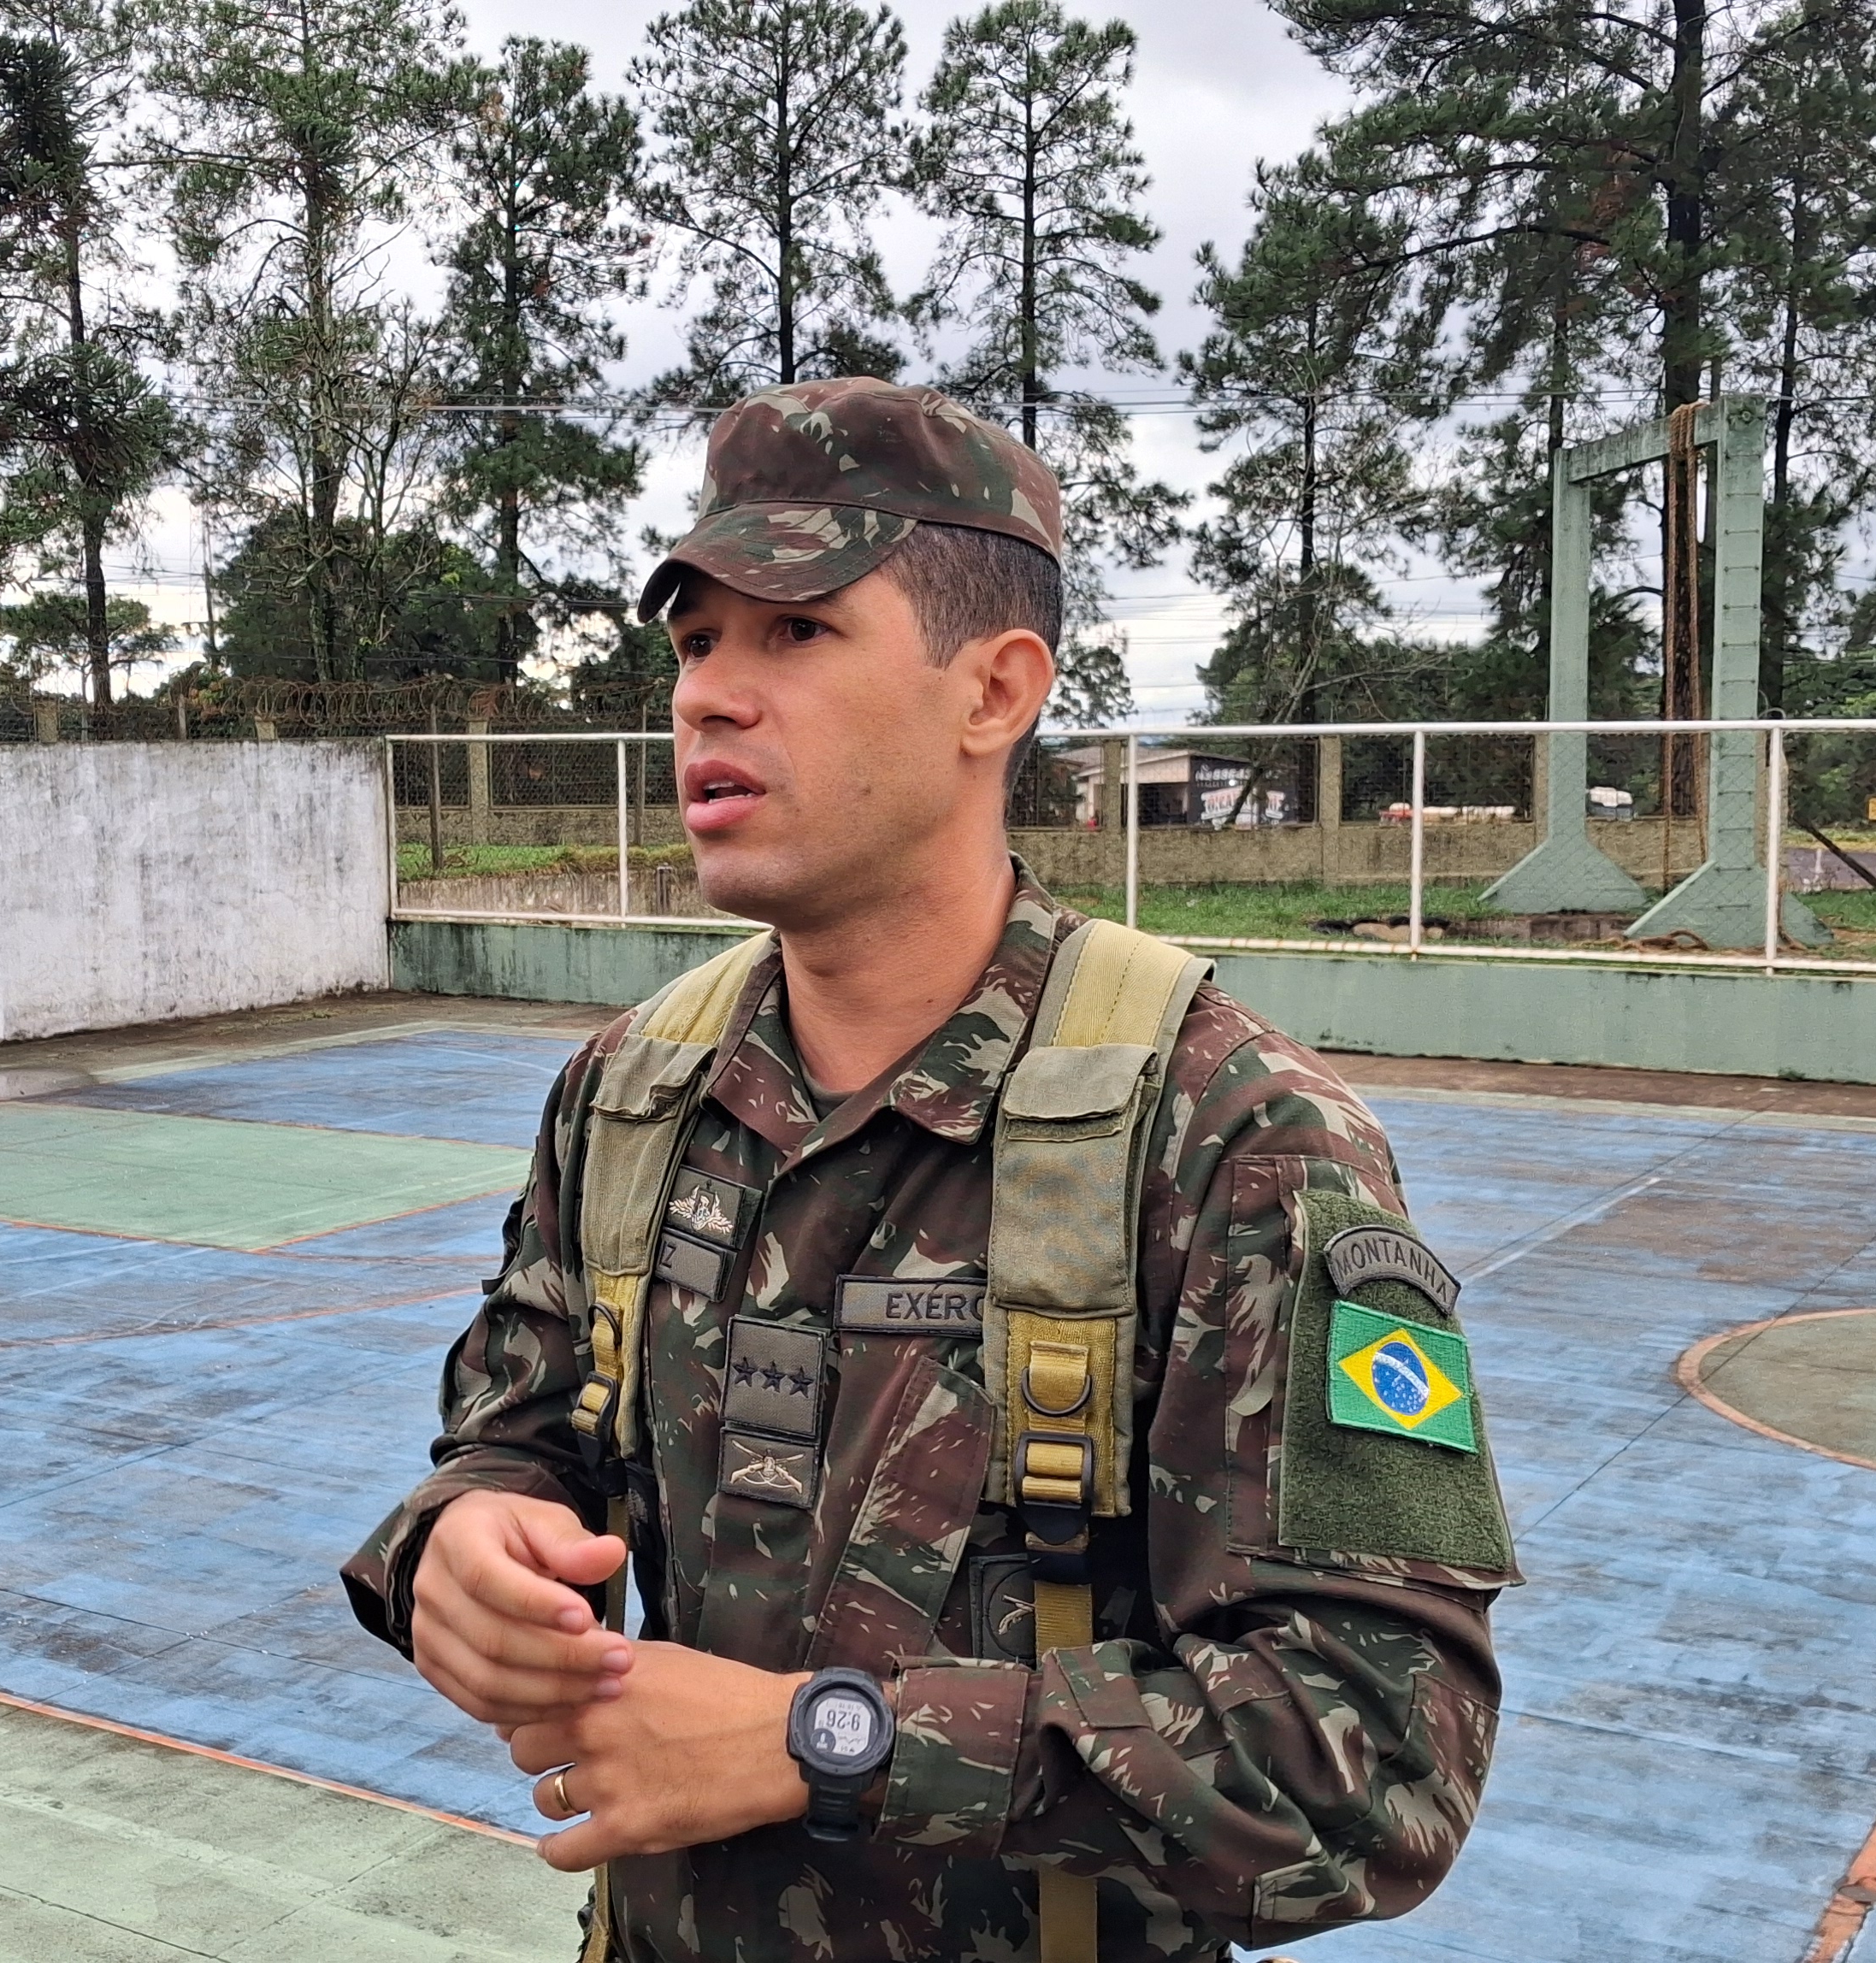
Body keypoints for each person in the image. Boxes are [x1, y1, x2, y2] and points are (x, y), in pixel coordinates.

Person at [340, 380, 1515, 1963]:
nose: (708, 699)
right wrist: (464, 1546)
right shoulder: (630, 1096)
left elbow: (1376, 1762)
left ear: (996, 691)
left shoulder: (1234, 1139)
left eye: (797, 635)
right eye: (696, 644)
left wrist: (837, 1741)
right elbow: (522, 1435)